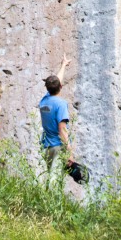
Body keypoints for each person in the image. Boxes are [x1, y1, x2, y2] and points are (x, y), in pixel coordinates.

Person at [39, 54, 74, 185]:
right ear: (61, 86)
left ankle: (46, 201)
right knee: (54, 179)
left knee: (50, 175)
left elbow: (55, 82)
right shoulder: (61, 104)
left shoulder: (44, 100)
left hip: (46, 146)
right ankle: (50, 205)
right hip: (58, 146)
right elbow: (62, 129)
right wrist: (69, 150)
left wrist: (63, 65)